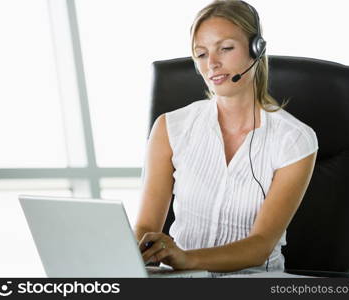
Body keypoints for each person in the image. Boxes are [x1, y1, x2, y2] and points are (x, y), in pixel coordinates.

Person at [134, 0, 318, 275]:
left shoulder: (294, 140)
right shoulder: (170, 128)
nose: (213, 64)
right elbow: (146, 227)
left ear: (257, 50)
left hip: (252, 280)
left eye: (226, 48)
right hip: (183, 280)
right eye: (202, 54)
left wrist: (187, 258)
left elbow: (260, 246)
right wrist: (136, 252)